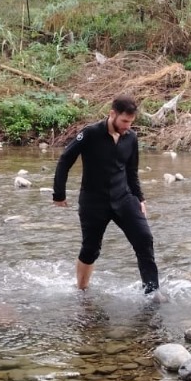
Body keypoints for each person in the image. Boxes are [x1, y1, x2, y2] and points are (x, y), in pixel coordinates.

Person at [52, 94, 160, 294]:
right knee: (91, 249)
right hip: (94, 202)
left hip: (124, 198)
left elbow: (131, 171)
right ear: (112, 114)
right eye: (124, 121)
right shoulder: (90, 133)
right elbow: (65, 159)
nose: (127, 126)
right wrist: (59, 193)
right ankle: (82, 290)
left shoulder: (131, 138)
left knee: (144, 239)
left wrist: (140, 198)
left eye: (131, 122)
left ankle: (152, 292)